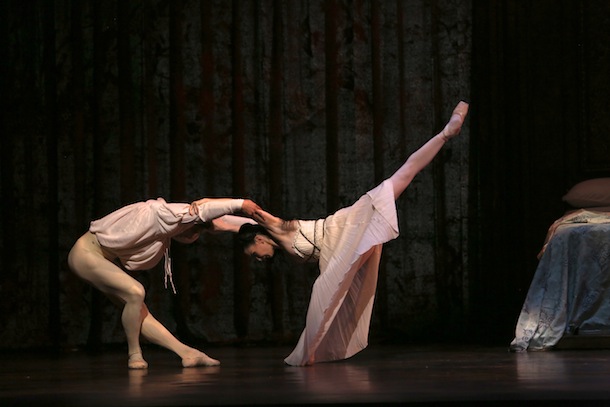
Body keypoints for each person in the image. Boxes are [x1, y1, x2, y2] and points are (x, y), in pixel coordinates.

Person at [234, 101, 469, 366]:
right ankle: (310, 353)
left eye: (254, 253)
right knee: (328, 293)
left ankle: (447, 133)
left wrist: (211, 210)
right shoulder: (275, 238)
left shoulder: (275, 225)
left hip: (340, 231)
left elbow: (236, 218)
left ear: (259, 238)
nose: (258, 259)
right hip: (337, 249)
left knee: (401, 178)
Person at [68, 197, 260, 369]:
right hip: (85, 254)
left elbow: (223, 222)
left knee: (139, 313)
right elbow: (204, 211)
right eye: (194, 235)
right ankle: (134, 354)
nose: (190, 239)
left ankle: (188, 353)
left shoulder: (174, 222)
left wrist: (259, 225)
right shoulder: (168, 215)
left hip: (99, 258)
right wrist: (241, 204)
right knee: (135, 292)